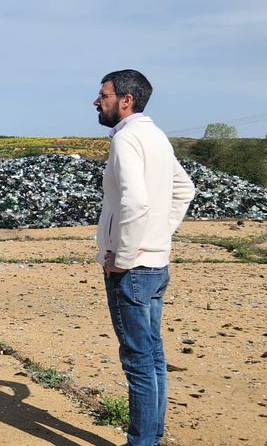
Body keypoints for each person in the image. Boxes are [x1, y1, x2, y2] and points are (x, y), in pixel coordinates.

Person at [93, 69, 196, 446]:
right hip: (155, 264)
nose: (96, 101)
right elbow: (184, 189)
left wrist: (123, 256)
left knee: (138, 362)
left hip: (132, 270)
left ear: (126, 100)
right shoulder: (156, 136)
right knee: (152, 358)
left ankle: (142, 442)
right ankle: (150, 438)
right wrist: (158, 235)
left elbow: (135, 202)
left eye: (103, 95)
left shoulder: (127, 140)